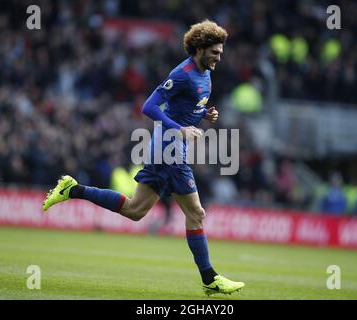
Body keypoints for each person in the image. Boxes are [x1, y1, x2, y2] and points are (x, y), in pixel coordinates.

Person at [42, 20, 244, 296]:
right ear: (199, 49)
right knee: (196, 213)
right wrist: (180, 129)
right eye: (215, 52)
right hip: (169, 150)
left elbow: (185, 107)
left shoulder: (206, 74)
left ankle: (72, 189)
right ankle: (210, 278)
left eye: (221, 52)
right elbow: (149, 106)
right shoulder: (182, 73)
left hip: (169, 149)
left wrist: (205, 114)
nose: (219, 57)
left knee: (136, 211)